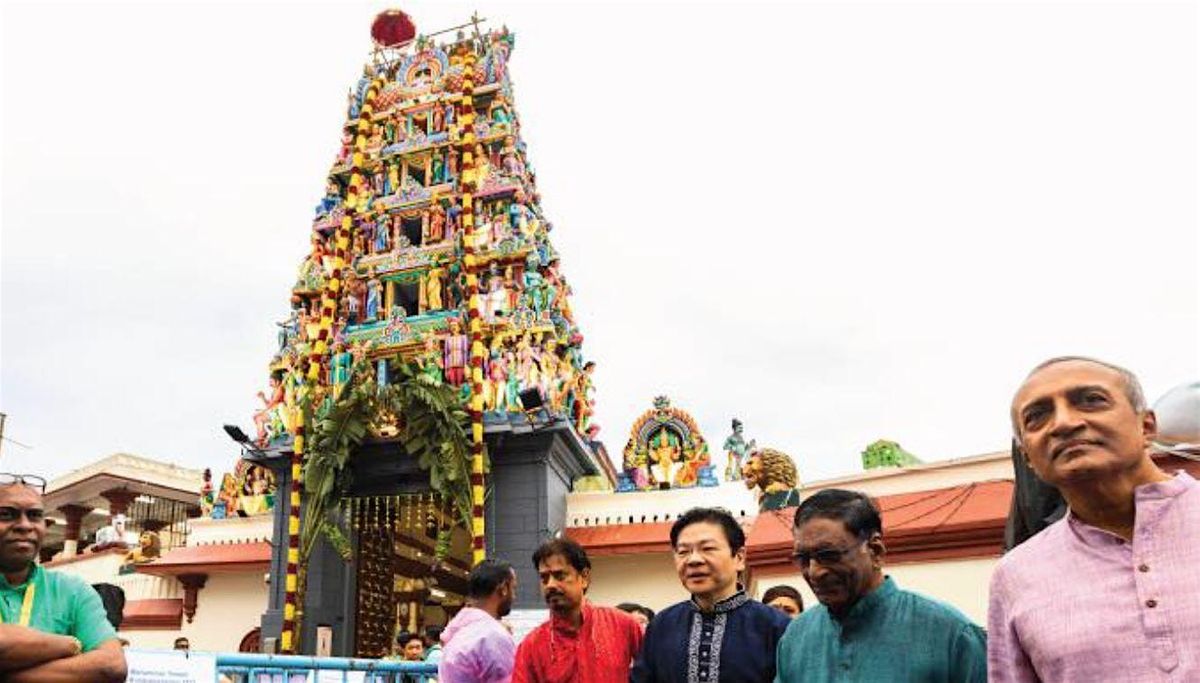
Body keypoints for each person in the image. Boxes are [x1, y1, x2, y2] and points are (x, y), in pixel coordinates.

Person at [989, 357, 1200, 681]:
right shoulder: (1016, 575)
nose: (1063, 423)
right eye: (1037, 416)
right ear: (1028, 457)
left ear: (1146, 427)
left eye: (1091, 401)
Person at [776, 489, 987, 682]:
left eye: (829, 556)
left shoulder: (952, 636)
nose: (814, 572)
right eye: (803, 558)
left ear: (875, 551)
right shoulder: (795, 640)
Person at [632, 507, 789, 683]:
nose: (693, 560)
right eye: (683, 552)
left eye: (707, 548)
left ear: (739, 557)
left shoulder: (776, 627)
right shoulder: (662, 625)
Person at [0, 475, 127, 682]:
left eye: (34, 515)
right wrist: (71, 644)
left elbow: (111, 666)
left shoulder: (74, 591)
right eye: (6, 514)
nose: (24, 525)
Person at [513, 538, 643, 682]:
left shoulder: (623, 626)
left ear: (584, 578)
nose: (550, 584)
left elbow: (656, 671)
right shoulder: (531, 646)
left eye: (560, 575)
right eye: (544, 578)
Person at [439, 558, 517, 683]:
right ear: (503, 589)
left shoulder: (454, 633)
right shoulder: (494, 637)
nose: (514, 596)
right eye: (514, 588)